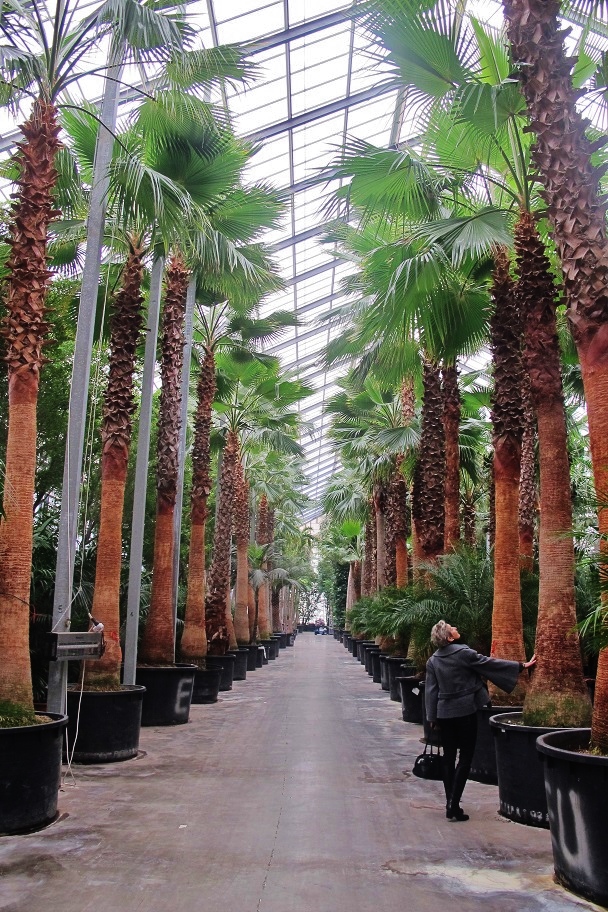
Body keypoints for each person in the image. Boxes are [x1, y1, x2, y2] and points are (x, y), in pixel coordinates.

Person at [425, 620, 536, 822]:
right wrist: (520, 666)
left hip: (444, 714)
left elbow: (431, 691)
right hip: (466, 711)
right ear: (449, 637)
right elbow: (489, 664)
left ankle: (450, 802)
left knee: (448, 758)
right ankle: (453, 804)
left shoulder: (433, 661)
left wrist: (432, 718)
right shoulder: (464, 653)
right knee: (466, 757)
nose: (456, 628)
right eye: (452, 628)